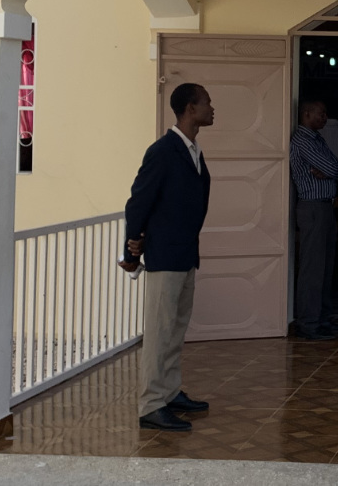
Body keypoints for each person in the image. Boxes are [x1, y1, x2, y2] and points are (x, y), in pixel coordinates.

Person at [120, 82, 215, 432]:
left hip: (186, 254)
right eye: (207, 102)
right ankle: (150, 404)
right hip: (165, 255)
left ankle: (170, 392)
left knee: (175, 329)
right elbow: (139, 201)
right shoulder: (163, 150)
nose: (212, 107)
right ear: (190, 108)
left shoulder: (193, 151)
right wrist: (133, 244)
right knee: (159, 333)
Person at [289, 99, 338, 340]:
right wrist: (330, 170)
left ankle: (322, 319)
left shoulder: (316, 138)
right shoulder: (302, 140)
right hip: (313, 207)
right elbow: (334, 168)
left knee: (325, 267)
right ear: (306, 114)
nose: (324, 118)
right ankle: (309, 323)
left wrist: (331, 170)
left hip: (324, 207)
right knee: (313, 268)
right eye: (320, 114)